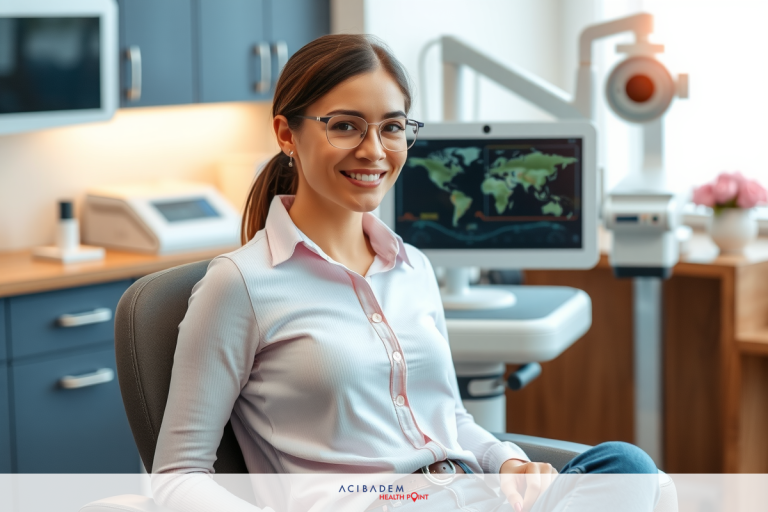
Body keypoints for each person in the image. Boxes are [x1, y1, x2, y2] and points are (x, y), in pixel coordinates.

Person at [151, 34, 660, 512]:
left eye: (392, 127)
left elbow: (449, 416)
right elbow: (177, 475)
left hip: (467, 491)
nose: (374, 150)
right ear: (288, 134)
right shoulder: (240, 285)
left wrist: (504, 460)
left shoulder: (412, 266)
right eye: (345, 125)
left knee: (628, 467)